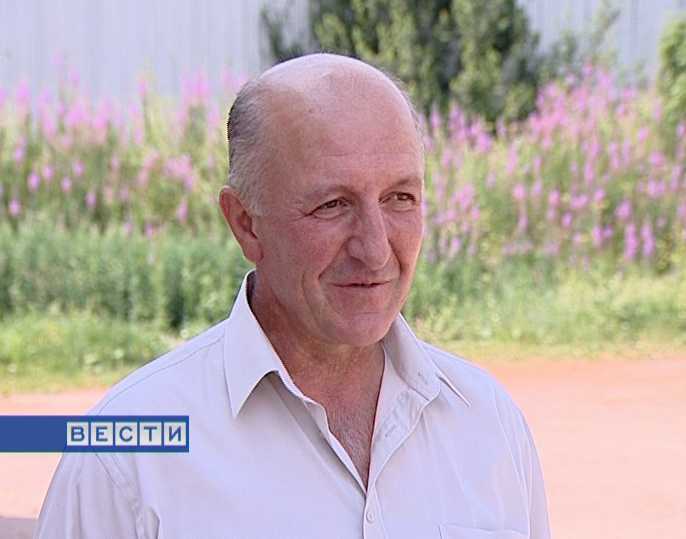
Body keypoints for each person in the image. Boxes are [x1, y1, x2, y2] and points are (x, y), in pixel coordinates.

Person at [36, 53, 551, 538]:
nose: (375, 250)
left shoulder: (488, 423)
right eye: (333, 205)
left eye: (400, 198)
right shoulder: (125, 459)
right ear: (246, 224)